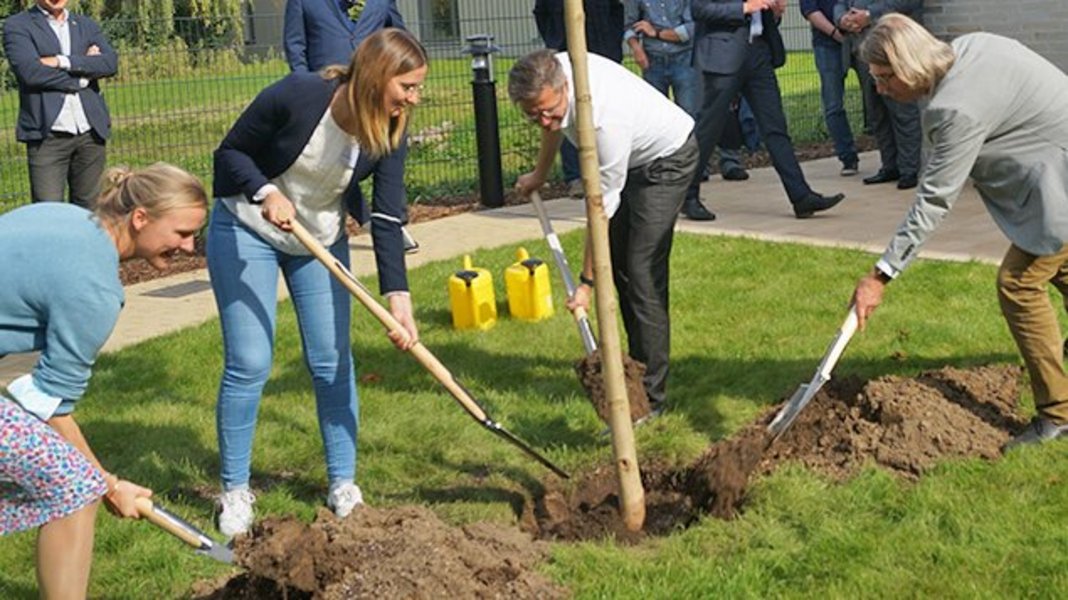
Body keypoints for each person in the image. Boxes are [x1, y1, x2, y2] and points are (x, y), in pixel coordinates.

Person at [209, 28, 425, 536]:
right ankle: (234, 490)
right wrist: (265, 191)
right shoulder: (299, 94)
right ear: (376, 76)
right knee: (250, 360)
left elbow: (389, 218)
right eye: (407, 86)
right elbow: (229, 153)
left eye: (418, 88)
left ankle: (343, 484)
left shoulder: (391, 130)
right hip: (247, 227)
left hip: (320, 240)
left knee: (331, 361)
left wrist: (400, 300)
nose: (413, 99)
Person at [848, 14, 1068, 449]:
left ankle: (1058, 415)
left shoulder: (955, 109)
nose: (880, 89)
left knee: (1018, 285)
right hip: (1055, 167)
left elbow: (934, 199)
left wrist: (881, 275)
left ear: (907, 67)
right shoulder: (974, 45)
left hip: (1060, 182)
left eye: (883, 78)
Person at [0, 164, 208, 598]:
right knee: (76, 487)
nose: (190, 248)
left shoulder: (64, 216)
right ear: (140, 218)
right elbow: (48, 404)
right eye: (182, 233)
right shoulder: (95, 289)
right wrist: (108, 484)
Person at [511, 48, 697, 412]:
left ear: (566, 87)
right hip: (632, 158)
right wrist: (540, 174)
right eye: (535, 116)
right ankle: (630, 364)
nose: (546, 121)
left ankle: (649, 400)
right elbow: (553, 125)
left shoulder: (602, 120)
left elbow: (600, 211)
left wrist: (586, 283)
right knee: (625, 270)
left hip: (666, 160)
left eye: (550, 110)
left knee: (643, 273)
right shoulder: (554, 71)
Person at [688, 0, 845, 219]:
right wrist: (744, 7)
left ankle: (801, 196)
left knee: (776, 128)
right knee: (708, 129)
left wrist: (775, 12)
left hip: (759, 53)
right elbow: (700, 9)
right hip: (723, 54)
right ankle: (688, 195)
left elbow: (763, 15)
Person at [283, 0, 419, 253]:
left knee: (387, 156)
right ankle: (365, 218)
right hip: (329, 97)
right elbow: (295, 47)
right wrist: (306, 88)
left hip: (375, 95)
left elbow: (399, 38)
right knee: (336, 163)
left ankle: (392, 224)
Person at [622, 0, 739, 222]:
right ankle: (658, 171)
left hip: (683, 59)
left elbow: (689, 30)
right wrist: (636, 48)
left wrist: (654, 32)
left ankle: (692, 172)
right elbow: (629, 26)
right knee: (653, 122)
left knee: (689, 117)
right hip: (652, 62)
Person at [3, 0, 118, 207]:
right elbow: (30, 72)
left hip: (90, 132)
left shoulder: (86, 25)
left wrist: (61, 61)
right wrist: (83, 77)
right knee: (48, 212)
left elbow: (109, 63)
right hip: (48, 135)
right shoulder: (17, 26)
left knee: (90, 211)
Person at [533, 0, 625, 198]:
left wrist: (613, 45)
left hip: (602, 52)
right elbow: (541, 12)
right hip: (566, 54)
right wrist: (554, 42)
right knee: (566, 112)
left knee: (605, 113)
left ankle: (604, 172)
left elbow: (616, 10)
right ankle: (575, 176)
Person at [835, 0, 922, 189]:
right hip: (862, 49)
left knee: (902, 110)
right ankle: (889, 166)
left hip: (895, 46)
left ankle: (909, 169)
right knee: (877, 112)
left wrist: (869, 15)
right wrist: (842, 18)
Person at [800, 0, 860, 176]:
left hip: (863, 36)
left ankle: (892, 159)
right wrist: (836, 33)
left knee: (878, 98)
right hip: (827, 44)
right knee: (833, 105)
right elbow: (810, 11)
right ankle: (848, 157)